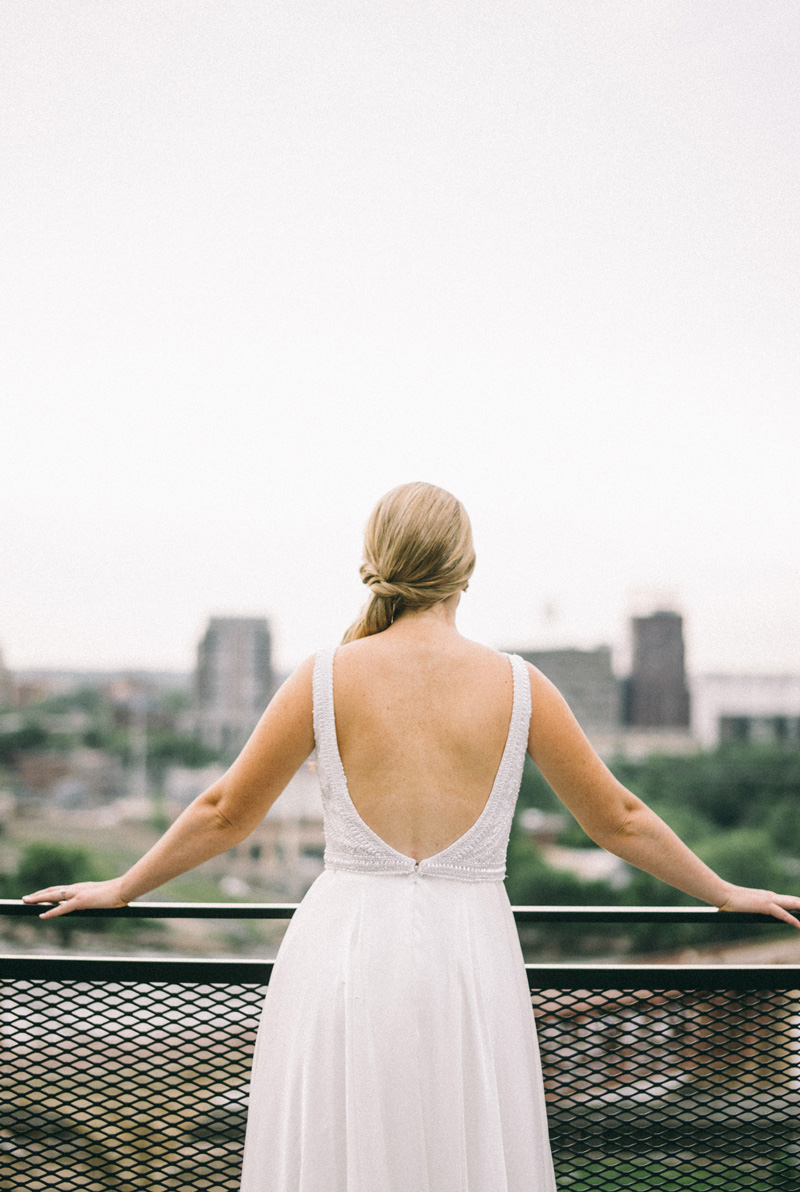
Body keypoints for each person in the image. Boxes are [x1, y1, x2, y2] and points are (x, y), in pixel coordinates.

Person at [23, 480, 800, 1192]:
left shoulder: (325, 676)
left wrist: (122, 887)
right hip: (471, 963)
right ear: (467, 569)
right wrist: (726, 891)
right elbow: (618, 819)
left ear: (378, 563)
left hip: (346, 955)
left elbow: (225, 810)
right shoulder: (521, 686)